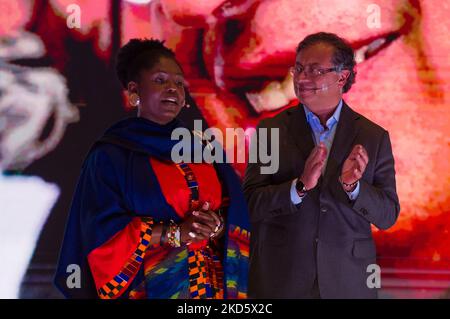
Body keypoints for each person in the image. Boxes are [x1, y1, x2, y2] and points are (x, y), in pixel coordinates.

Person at [54, 38, 250, 299]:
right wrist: (175, 233)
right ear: (134, 91)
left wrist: (216, 225)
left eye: (179, 83)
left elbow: (236, 209)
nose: (173, 89)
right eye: (160, 80)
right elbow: (99, 233)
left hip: (210, 290)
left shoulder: (203, 147)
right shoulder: (111, 155)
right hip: (149, 288)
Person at [243, 32, 400, 298]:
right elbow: (252, 204)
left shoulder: (373, 137)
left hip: (348, 282)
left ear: (343, 77)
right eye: (299, 69)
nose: (302, 78)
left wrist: (354, 187)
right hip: (282, 280)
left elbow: (387, 215)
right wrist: (299, 186)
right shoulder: (270, 130)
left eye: (315, 71)